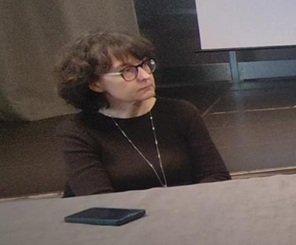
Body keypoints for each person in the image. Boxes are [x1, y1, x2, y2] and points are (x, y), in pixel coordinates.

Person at [55, 31, 230, 196]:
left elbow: (216, 175)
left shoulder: (181, 113)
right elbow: (98, 200)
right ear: (95, 84)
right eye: (127, 70)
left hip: (184, 210)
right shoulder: (78, 130)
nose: (145, 76)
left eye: (145, 65)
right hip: (122, 217)